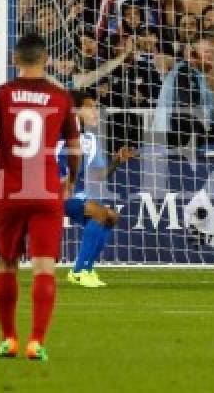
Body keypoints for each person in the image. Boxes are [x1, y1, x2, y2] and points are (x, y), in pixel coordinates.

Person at [0, 33, 81, 361]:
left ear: (15, 61)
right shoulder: (61, 97)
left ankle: (9, 339)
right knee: (43, 267)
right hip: (45, 191)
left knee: (7, 266)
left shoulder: (1, 95)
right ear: (45, 61)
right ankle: (36, 342)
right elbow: (74, 147)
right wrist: (71, 178)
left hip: (9, 190)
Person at [60, 90, 135, 288]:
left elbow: (98, 175)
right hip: (53, 192)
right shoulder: (58, 134)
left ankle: (87, 269)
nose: (95, 112)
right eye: (90, 107)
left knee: (111, 217)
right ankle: (77, 272)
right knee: (101, 214)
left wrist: (117, 161)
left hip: (76, 194)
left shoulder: (90, 140)